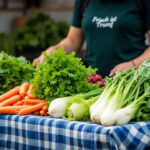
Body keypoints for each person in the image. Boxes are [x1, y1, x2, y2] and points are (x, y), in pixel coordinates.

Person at [34, 0, 150, 77]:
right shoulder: (84, 1)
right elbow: (73, 40)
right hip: (92, 84)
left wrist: (133, 65)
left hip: (132, 83)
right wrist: (54, 51)